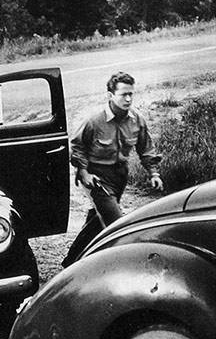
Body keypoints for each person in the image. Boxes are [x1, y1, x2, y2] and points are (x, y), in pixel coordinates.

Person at [62, 72, 163, 267]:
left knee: (97, 219)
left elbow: (146, 148)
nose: (128, 99)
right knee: (116, 223)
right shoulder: (94, 120)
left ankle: (72, 261)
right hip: (96, 177)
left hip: (120, 176)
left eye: (131, 94)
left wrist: (154, 173)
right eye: (123, 94)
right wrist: (83, 172)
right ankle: (126, 265)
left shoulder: (136, 119)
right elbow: (77, 146)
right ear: (110, 96)